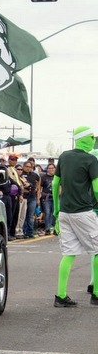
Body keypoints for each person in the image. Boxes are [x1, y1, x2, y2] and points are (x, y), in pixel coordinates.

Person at [52, 126, 98, 307]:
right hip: (84, 212)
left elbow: (55, 184)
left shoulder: (63, 156)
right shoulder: (91, 159)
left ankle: (61, 295)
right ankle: (96, 294)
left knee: (69, 254)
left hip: (64, 212)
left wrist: (56, 210)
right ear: (86, 139)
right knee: (97, 251)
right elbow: (96, 188)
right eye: (92, 137)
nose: (94, 140)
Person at [21, 159, 40, 239]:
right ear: (24, 167)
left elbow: (38, 186)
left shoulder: (35, 175)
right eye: (26, 166)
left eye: (30, 167)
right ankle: (24, 232)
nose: (28, 168)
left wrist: (38, 198)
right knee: (23, 216)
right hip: (24, 197)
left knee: (30, 216)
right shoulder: (21, 174)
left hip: (32, 197)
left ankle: (30, 232)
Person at [40, 163, 56, 235]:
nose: (51, 169)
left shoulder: (57, 177)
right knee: (47, 213)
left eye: (52, 168)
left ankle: (55, 227)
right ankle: (47, 229)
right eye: (49, 168)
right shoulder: (43, 177)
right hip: (46, 197)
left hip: (55, 197)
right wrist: (39, 196)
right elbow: (39, 187)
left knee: (54, 213)